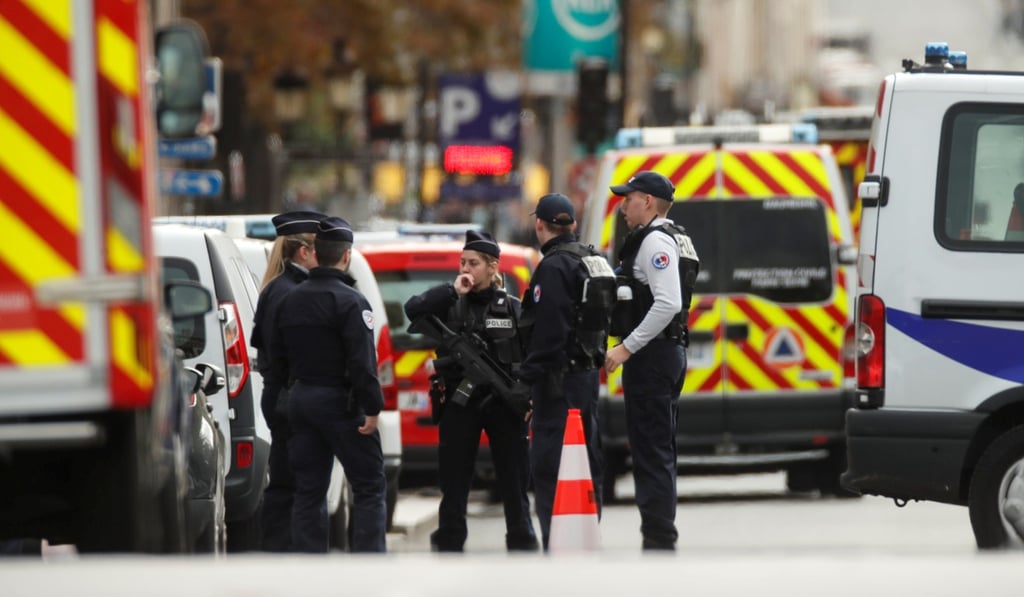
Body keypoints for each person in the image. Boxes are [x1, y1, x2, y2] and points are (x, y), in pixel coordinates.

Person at [403, 230, 539, 553]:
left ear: (493, 267)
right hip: (459, 401)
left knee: (514, 475)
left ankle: (521, 538)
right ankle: (450, 537)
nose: (466, 269)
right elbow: (414, 309)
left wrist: (528, 393)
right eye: (462, 262)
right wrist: (453, 290)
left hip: (504, 404)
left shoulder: (513, 309)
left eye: (474, 263)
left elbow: (532, 355)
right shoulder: (451, 304)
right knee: (454, 476)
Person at [268, 217, 387, 553]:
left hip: (301, 399)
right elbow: (362, 363)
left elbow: (277, 357)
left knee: (308, 490)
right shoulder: (351, 301)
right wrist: (373, 407)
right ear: (346, 256)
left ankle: (309, 569)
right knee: (368, 485)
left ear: (316, 254)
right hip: (340, 403)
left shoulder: (290, 298)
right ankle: (369, 562)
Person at [604, 171, 700, 551]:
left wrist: (627, 346)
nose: (623, 205)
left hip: (653, 356)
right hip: (665, 353)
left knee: (651, 451)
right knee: (659, 448)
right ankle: (660, 534)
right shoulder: (672, 236)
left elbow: (668, 302)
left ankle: (659, 539)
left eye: (628, 198)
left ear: (646, 201)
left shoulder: (654, 241)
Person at [518, 193, 614, 550]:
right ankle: (587, 535)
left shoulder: (554, 267)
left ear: (539, 224)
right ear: (572, 225)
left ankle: (557, 544)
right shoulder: (594, 259)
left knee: (549, 466)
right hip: (587, 377)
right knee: (587, 461)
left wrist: (525, 381)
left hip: (557, 384)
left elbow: (550, 332)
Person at [250, 210, 324, 552]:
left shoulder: (278, 288)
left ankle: (280, 550)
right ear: (304, 252)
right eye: (319, 247)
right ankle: (282, 552)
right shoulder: (290, 291)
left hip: (280, 393)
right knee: (291, 481)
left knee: (287, 477)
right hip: (287, 393)